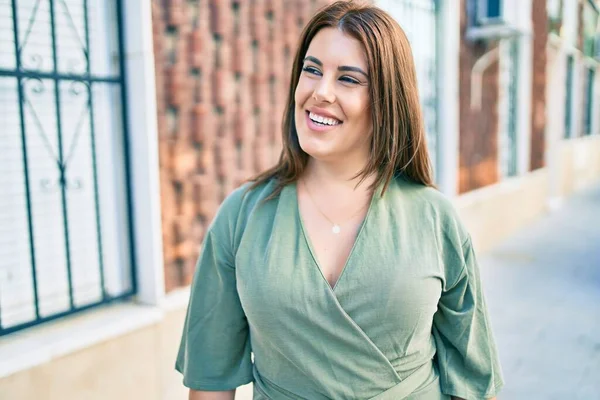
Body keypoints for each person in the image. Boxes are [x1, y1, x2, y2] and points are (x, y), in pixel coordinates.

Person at [176, 1, 504, 399]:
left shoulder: (436, 219)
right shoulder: (242, 215)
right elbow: (211, 378)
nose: (320, 92)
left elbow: (473, 378)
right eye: (311, 70)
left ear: (386, 101)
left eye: (348, 79)